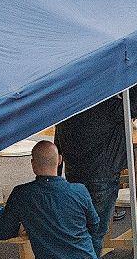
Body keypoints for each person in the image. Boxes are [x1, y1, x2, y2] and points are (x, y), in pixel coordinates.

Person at [54, 93, 127, 239]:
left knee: (80, 228)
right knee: (96, 232)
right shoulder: (107, 105)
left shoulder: (67, 103)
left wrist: (56, 175)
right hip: (102, 175)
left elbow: (58, 138)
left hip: (74, 171)